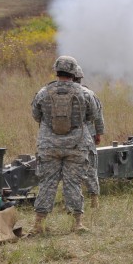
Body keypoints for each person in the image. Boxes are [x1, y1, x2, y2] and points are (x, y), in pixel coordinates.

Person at [30, 56, 97, 235]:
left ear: (56, 71)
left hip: (49, 145)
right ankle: (77, 223)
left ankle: (38, 224)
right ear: (74, 72)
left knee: (47, 183)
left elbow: (36, 115)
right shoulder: (85, 93)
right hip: (76, 146)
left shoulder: (43, 92)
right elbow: (92, 116)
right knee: (73, 183)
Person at [74, 65, 105, 209]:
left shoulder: (53, 92)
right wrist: (98, 133)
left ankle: (73, 200)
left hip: (61, 138)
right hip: (86, 136)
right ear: (80, 78)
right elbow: (98, 116)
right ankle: (94, 200)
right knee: (91, 167)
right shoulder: (89, 94)